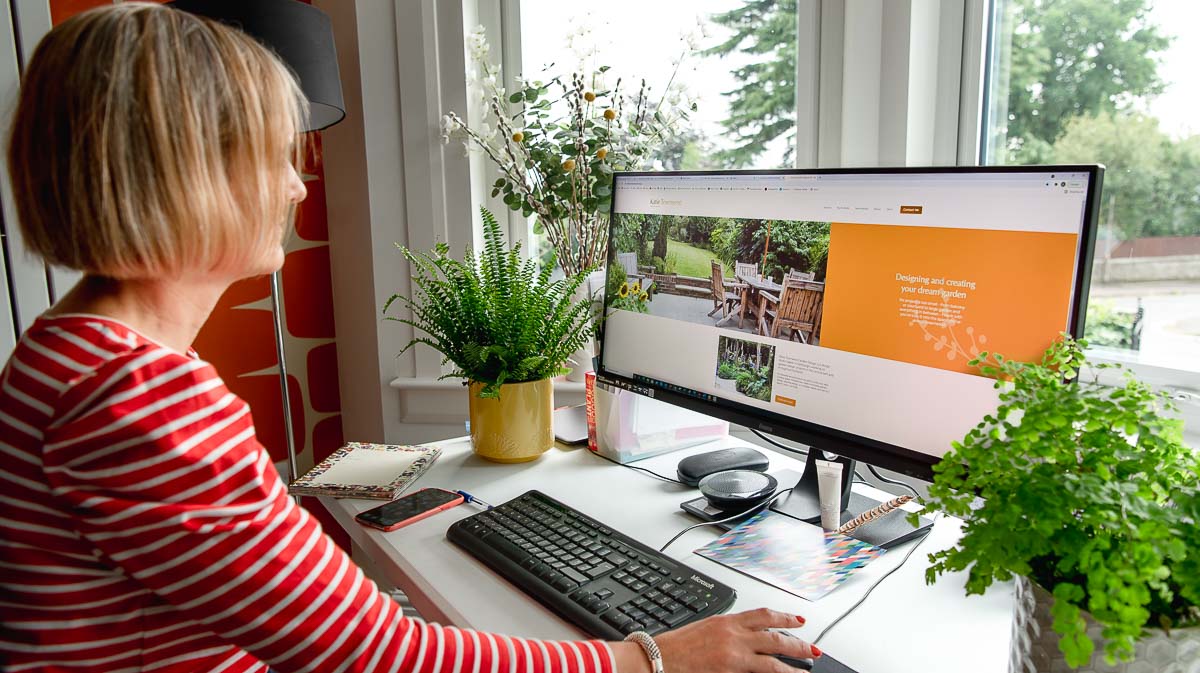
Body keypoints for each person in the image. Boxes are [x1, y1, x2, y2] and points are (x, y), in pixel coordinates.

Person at [0, 4, 820, 672]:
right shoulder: (135, 393)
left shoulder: (68, 350)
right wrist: (653, 658)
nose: (294, 184)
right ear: (189, 172)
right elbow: (379, 656)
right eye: (272, 155)